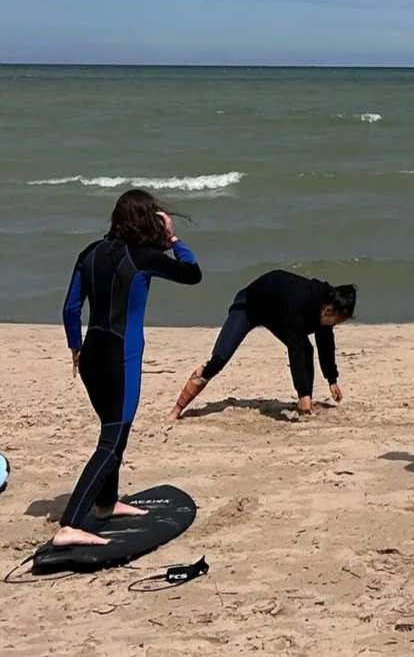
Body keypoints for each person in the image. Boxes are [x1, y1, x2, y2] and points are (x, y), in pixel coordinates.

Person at [53, 189, 202, 547]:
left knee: (113, 428)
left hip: (91, 356)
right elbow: (192, 273)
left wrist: (76, 347)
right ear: (146, 220)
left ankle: (106, 504)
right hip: (122, 356)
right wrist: (173, 238)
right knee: (112, 438)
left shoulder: (89, 254)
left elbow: (70, 309)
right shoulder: (145, 257)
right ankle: (69, 524)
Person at [165, 271, 358, 421]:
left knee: (308, 349)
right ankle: (176, 410)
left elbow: (325, 342)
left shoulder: (325, 303)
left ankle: (304, 406)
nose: (336, 325)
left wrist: (331, 379)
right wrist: (303, 391)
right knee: (217, 361)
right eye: (337, 321)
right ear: (329, 310)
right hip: (249, 307)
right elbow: (295, 349)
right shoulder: (299, 303)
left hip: (275, 315)